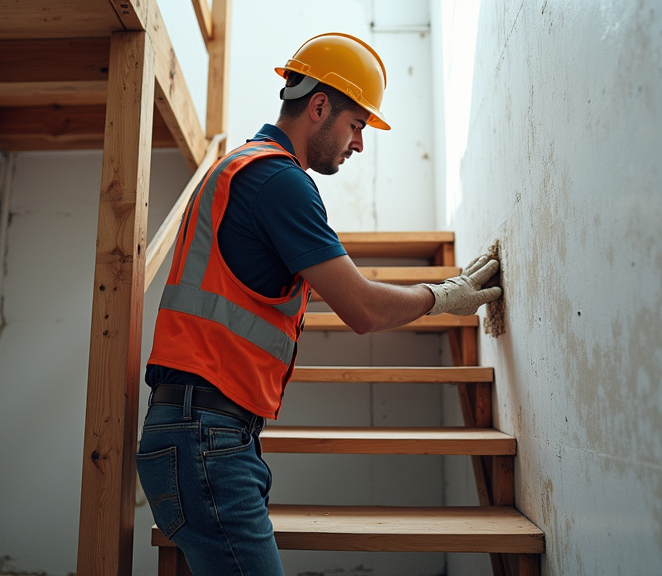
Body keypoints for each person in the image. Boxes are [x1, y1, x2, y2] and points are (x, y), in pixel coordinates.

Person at [135, 32, 502, 575]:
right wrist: (444, 296)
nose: (358, 144)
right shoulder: (277, 180)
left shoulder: (244, 168)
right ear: (320, 105)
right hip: (206, 438)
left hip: (205, 433)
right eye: (356, 125)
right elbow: (364, 309)